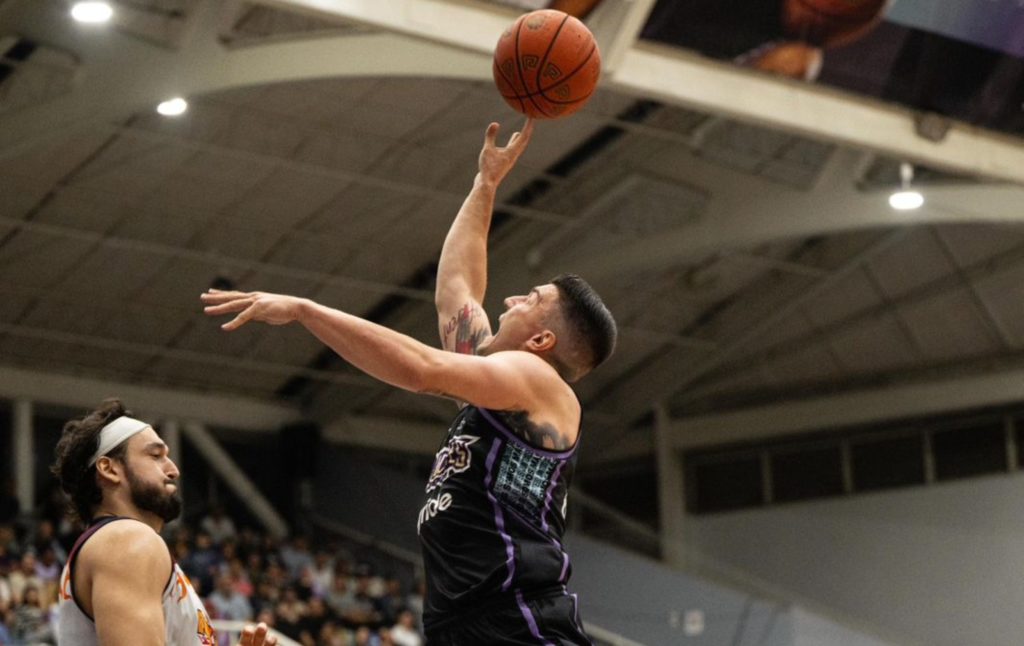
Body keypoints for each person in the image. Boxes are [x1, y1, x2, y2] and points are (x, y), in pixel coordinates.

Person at [201, 118, 617, 645]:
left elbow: (422, 370)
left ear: (542, 341)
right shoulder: (501, 385)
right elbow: (456, 288)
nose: (512, 299)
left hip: (518, 620)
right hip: (464, 623)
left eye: (531, 299)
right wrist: (485, 184)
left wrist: (306, 311)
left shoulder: (538, 379)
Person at [49, 398, 279, 645]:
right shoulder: (126, 539)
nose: (173, 470)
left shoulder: (112, 544)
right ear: (109, 468)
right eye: (156, 455)